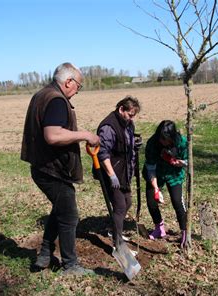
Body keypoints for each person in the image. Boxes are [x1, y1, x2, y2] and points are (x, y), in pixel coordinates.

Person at [21, 62, 100, 276]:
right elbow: (53, 135)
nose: (77, 91)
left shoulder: (42, 94)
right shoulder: (56, 100)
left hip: (42, 166)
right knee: (69, 215)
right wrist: (85, 134)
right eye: (78, 86)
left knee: (60, 209)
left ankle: (45, 255)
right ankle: (70, 265)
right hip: (52, 169)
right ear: (68, 82)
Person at [96, 96, 141, 249]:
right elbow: (102, 153)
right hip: (112, 173)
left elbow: (126, 142)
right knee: (120, 206)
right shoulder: (109, 126)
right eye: (130, 115)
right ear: (121, 109)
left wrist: (135, 144)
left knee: (127, 202)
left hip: (124, 172)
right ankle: (118, 243)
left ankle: (114, 229)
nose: (131, 119)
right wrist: (111, 175)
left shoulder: (127, 124)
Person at [142, 120, 189, 248]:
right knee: (151, 201)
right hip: (157, 173)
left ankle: (185, 231)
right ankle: (159, 228)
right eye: (161, 139)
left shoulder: (182, 143)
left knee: (177, 202)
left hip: (174, 174)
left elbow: (188, 161)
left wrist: (180, 163)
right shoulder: (152, 143)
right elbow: (150, 167)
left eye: (166, 139)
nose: (163, 142)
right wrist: (156, 189)